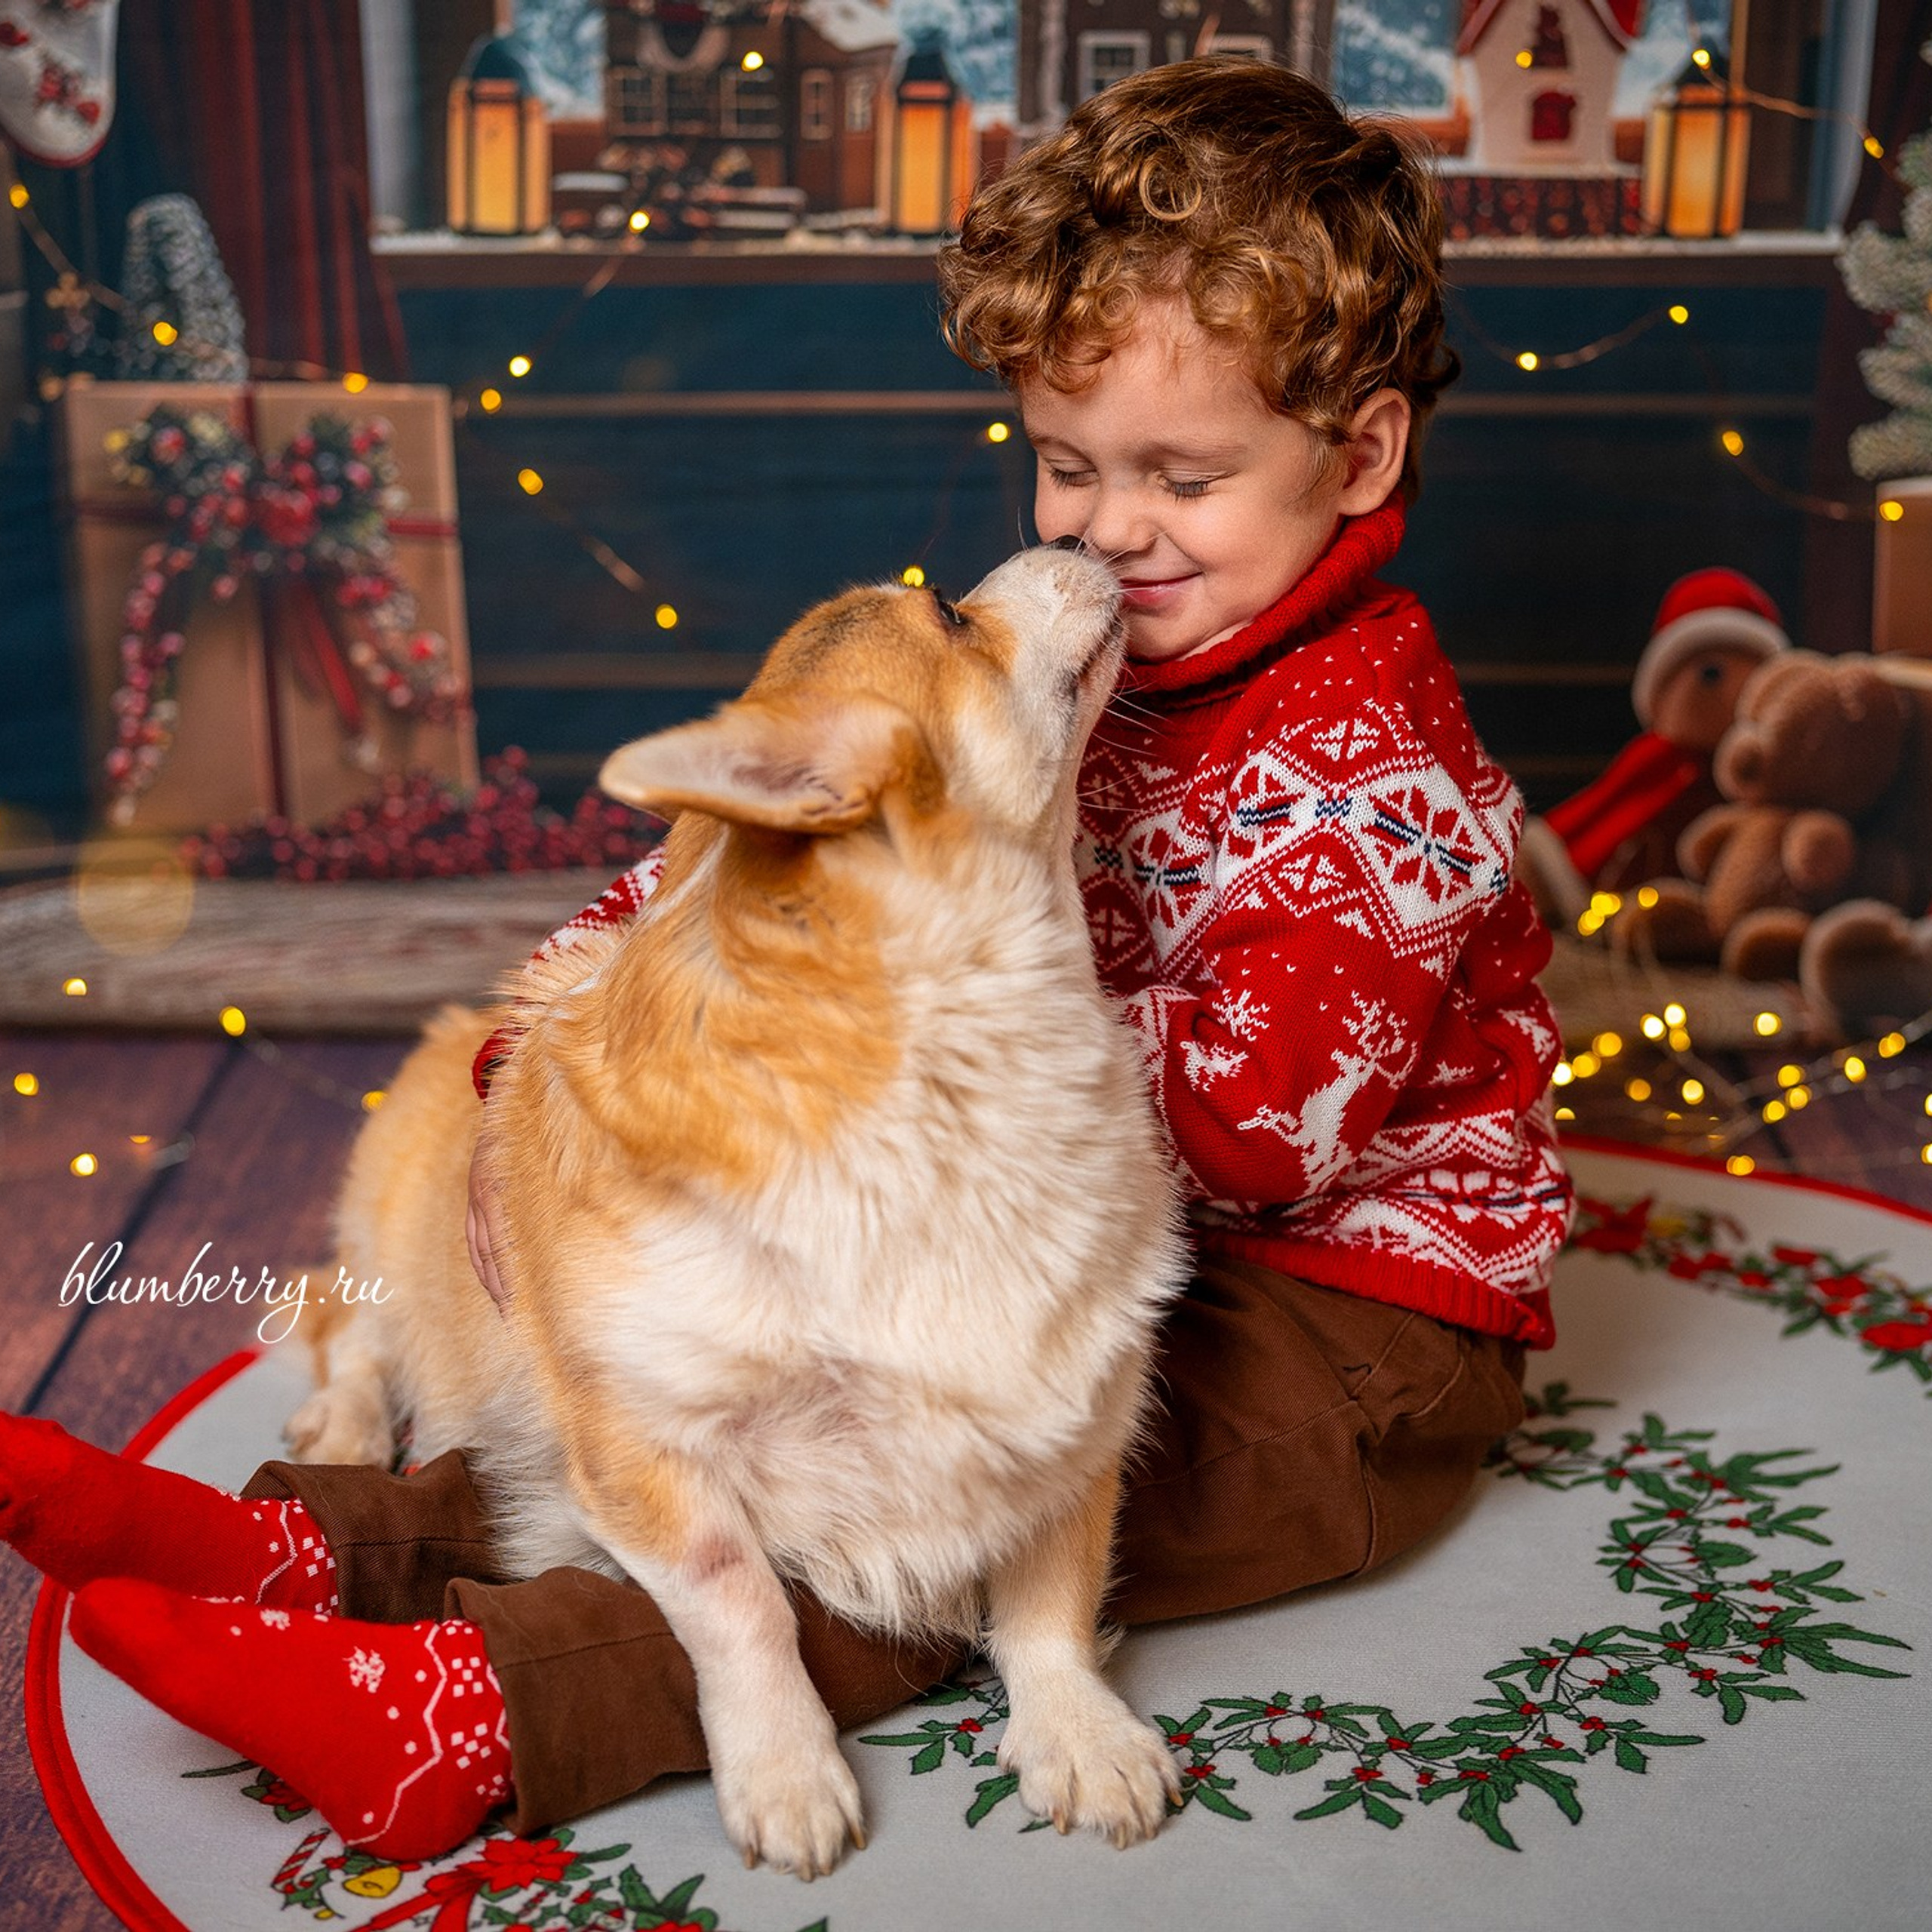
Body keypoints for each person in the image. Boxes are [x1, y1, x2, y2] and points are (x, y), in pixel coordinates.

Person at [2, 58, 1570, 1862]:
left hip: (1346, 1303)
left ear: (1356, 455)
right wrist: (552, 1054)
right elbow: (728, 882)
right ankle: (320, 1541)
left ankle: (488, 1704)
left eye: (1182, 475)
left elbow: (1252, 1132)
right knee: (758, 1420)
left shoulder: (1376, 773)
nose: (1101, 528)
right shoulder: (1090, 654)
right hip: (1054, 1225)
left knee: (944, 1510)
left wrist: (889, 1019)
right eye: (1066, 463)